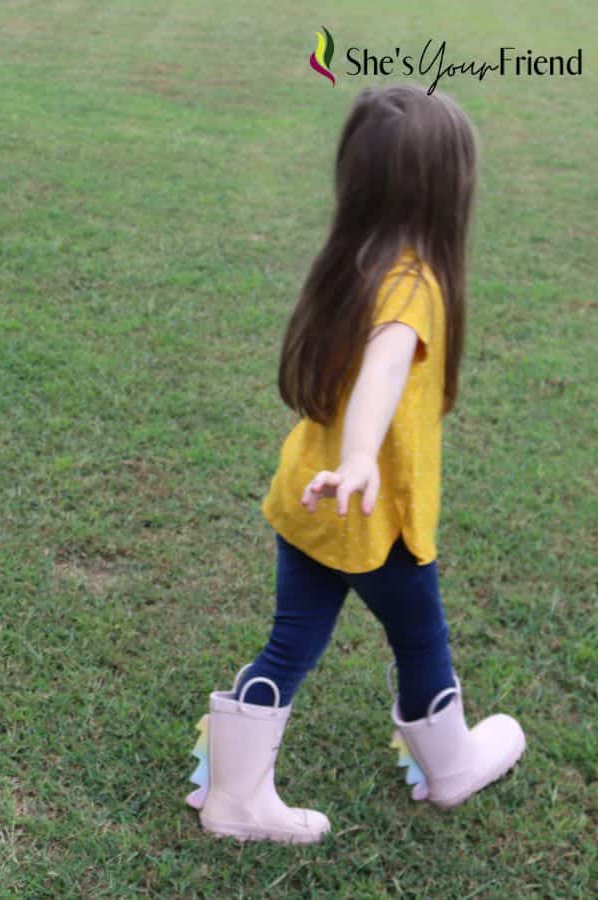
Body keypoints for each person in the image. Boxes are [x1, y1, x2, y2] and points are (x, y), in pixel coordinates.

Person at [183, 86, 525, 843]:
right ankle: (451, 768)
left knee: (291, 642)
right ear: (447, 190)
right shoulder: (415, 284)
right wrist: (365, 457)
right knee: (421, 642)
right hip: (372, 514)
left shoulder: (353, 260)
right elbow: (383, 368)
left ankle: (233, 798)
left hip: (309, 500)